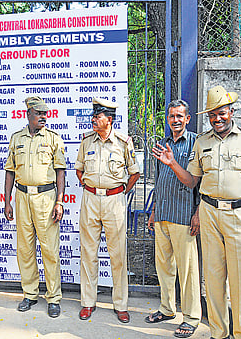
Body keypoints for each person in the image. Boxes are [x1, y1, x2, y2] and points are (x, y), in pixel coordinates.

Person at [152, 85, 241, 339]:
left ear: (231, 112)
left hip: (240, 215)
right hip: (210, 214)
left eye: (222, 113)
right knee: (214, 281)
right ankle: (218, 333)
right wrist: (171, 163)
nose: (217, 118)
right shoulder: (202, 142)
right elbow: (192, 181)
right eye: (213, 114)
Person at [75, 98, 139, 323]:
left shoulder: (123, 143)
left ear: (109, 119)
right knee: (88, 253)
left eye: (98, 116)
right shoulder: (87, 141)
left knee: (118, 255)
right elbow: (79, 169)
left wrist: (120, 192)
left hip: (114, 202)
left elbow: (134, 173)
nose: (94, 120)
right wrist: (89, 187)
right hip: (91, 200)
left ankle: (120, 304)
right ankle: (88, 302)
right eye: (94, 116)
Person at [3, 97, 66, 318]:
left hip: (45, 198)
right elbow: (9, 171)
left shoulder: (53, 139)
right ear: (28, 114)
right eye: (38, 113)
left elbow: (60, 171)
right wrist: (7, 200)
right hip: (21, 198)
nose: (43, 117)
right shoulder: (16, 138)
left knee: (49, 250)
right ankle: (30, 294)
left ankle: (54, 297)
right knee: (25, 249)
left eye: (45, 113)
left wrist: (59, 201)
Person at [145, 100, 201, 338]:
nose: (175, 120)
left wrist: (198, 212)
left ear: (187, 119)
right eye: (171, 116)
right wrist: (155, 209)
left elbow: (194, 182)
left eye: (180, 116)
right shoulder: (163, 144)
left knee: (187, 271)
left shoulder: (195, 143)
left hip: (184, 216)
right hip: (164, 215)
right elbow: (159, 179)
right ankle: (167, 309)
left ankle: (191, 317)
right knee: (164, 267)